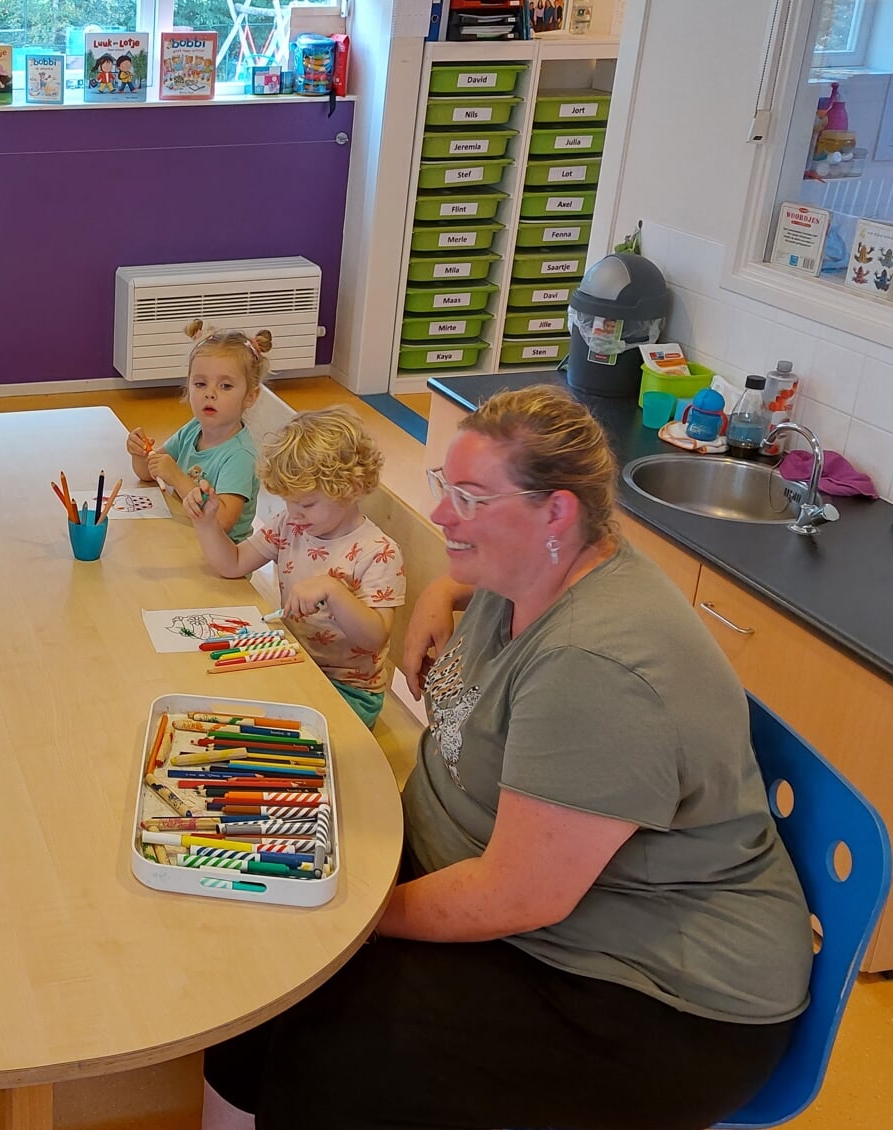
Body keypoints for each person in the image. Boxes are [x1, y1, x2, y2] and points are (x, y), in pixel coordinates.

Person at [202, 386, 811, 1130]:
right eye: (443, 488)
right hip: (490, 886)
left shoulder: (596, 667)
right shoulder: (538, 560)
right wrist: (439, 596)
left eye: (468, 498)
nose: (439, 516)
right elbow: (474, 566)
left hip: (638, 988)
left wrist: (348, 917)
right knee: (261, 972)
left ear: (555, 511)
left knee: (332, 1050)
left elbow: (518, 897)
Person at [184, 407, 403, 728]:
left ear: (352, 488)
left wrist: (333, 590)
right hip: (291, 662)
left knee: (257, 733)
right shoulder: (292, 525)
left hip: (349, 691)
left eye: (307, 504)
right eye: (288, 502)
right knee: (216, 697)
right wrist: (206, 524)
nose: (294, 513)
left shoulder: (378, 552)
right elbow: (233, 564)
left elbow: (374, 638)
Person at [127, 328, 268, 543]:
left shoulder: (240, 455)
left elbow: (222, 521)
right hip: (184, 536)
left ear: (250, 396)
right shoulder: (194, 428)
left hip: (219, 562)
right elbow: (148, 473)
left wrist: (176, 477)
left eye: (225, 386)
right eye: (200, 384)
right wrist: (140, 452)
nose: (209, 393)